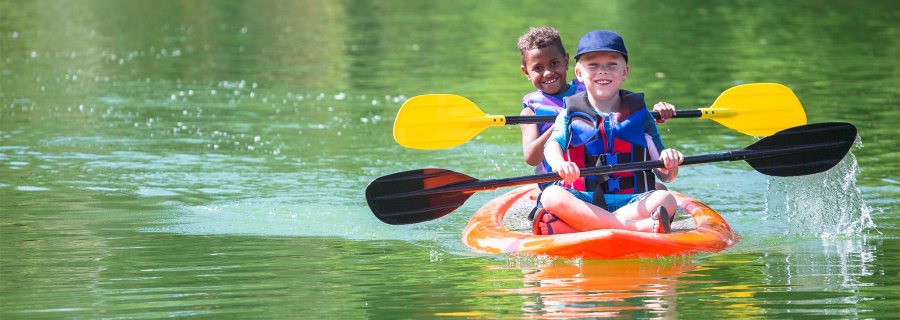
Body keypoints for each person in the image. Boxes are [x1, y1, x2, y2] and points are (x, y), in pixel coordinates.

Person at [533, 29, 682, 235]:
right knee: (551, 195)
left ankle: (573, 227)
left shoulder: (641, 114)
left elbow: (666, 176)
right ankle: (637, 228)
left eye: (612, 64)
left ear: (625, 72)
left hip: (633, 200)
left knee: (665, 198)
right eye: (593, 65)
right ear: (579, 73)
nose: (602, 71)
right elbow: (553, 145)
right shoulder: (569, 112)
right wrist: (559, 163)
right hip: (583, 198)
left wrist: (670, 161)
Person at [516, 26, 586, 191]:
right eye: (538, 68)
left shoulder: (589, 92)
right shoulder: (530, 112)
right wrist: (561, 122)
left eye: (554, 63)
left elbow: (626, 109)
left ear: (566, 61)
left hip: (596, 177)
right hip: (558, 186)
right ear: (526, 72)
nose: (547, 73)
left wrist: (658, 111)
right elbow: (531, 157)